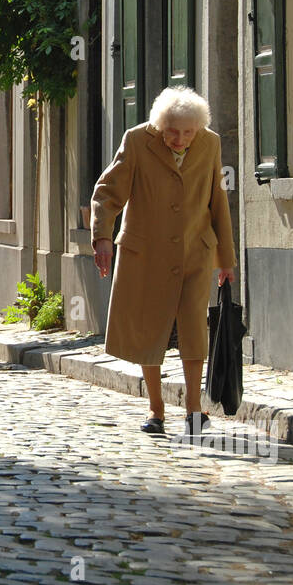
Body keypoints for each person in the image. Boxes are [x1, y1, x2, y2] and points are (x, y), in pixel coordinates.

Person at [90, 87, 237, 436]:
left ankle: (193, 411)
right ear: (160, 124)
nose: (180, 138)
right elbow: (108, 192)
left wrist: (226, 259)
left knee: (193, 330)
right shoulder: (138, 141)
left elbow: (217, 201)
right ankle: (156, 408)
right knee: (148, 328)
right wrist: (102, 238)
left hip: (195, 252)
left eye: (188, 132)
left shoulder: (210, 144)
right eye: (172, 130)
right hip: (146, 253)